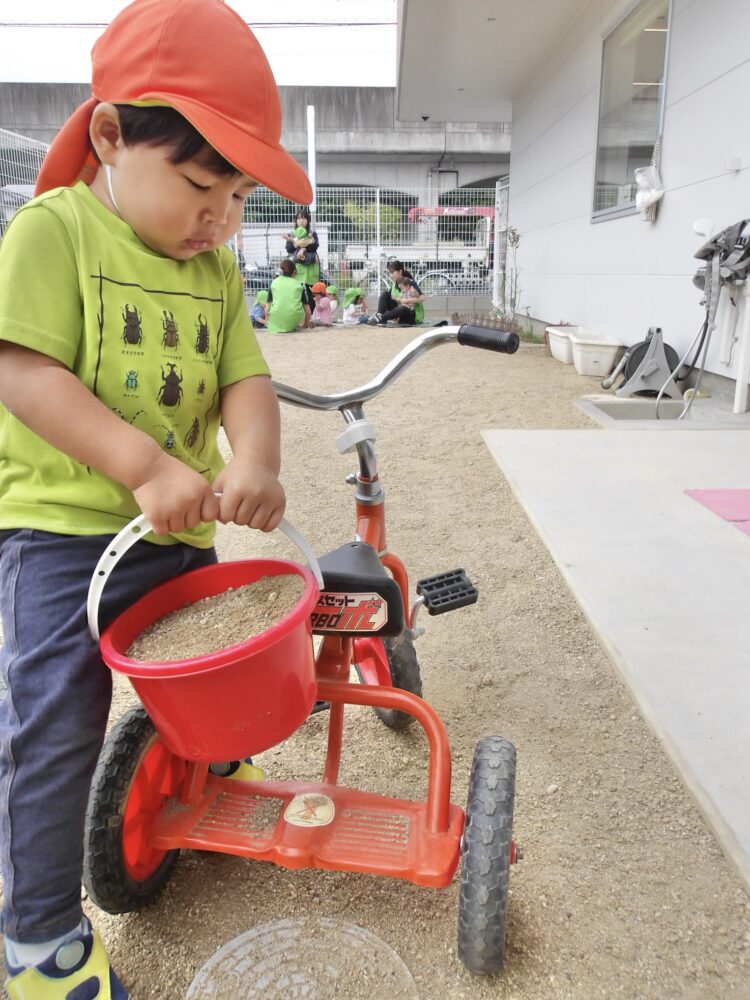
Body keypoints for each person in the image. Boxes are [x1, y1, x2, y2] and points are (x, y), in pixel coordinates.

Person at [0, 1, 312, 997]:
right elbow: (22, 369)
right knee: (58, 722)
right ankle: (39, 939)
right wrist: (141, 464)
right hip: (62, 532)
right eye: (200, 185)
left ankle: (211, 767)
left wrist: (253, 457)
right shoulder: (54, 231)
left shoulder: (213, 268)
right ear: (109, 137)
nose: (222, 217)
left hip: (176, 521)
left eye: (239, 195)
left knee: (218, 657)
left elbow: (244, 376)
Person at [370, 260, 425, 326]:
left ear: (400, 271)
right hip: (399, 313)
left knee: (402, 308)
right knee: (385, 294)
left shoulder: (410, 282)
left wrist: (406, 300)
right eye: (390, 273)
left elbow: (423, 298)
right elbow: (388, 298)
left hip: (411, 314)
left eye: (392, 272)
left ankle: (381, 318)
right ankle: (379, 315)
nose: (391, 275)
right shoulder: (394, 285)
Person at [284, 206, 320, 301]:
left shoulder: (312, 233)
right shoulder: (292, 234)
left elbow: (315, 246)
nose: (301, 221)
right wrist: (297, 244)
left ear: (308, 220)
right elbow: (289, 248)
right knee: (297, 295)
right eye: (299, 218)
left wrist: (303, 248)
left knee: (311, 295)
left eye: (304, 218)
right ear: (296, 221)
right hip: (297, 268)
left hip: (310, 269)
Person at [267, 259, 310, 333]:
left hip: (276, 318)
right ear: (294, 272)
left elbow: (267, 309)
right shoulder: (300, 285)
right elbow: (308, 313)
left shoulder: (273, 283)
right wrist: (305, 325)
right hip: (294, 319)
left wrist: (268, 320)